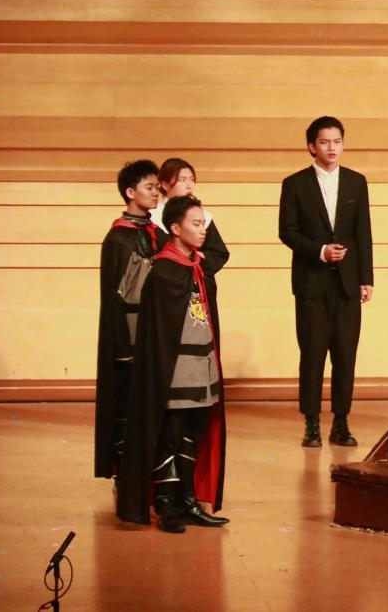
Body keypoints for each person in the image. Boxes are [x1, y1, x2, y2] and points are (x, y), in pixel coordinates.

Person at [117, 196, 229, 533]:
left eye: (203, 224)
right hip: (175, 367)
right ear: (176, 228)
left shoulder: (199, 267)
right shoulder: (163, 271)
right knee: (170, 434)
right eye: (196, 224)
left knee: (193, 433)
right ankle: (167, 505)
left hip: (202, 364)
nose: (203, 230)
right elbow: (155, 332)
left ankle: (189, 500)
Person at [278, 116, 374, 447]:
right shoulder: (295, 184)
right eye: (324, 142)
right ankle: (312, 424)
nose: (332, 148)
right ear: (311, 146)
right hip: (311, 283)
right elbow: (287, 231)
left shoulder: (356, 182)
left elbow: (363, 232)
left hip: (347, 283)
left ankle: (341, 423)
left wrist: (366, 278)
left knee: (346, 354)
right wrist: (320, 251)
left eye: (337, 141)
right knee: (313, 353)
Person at [94, 160, 168, 482]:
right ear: (130, 192)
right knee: (126, 407)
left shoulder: (158, 233)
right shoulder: (118, 239)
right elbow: (117, 299)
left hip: (156, 334)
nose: (156, 192)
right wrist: (123, 345)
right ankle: (124, 478)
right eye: (149, 187)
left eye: (157, 187)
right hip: (129, 338)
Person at [151, 157, 230, 276]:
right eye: (182, 180)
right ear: (165, 185)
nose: (189, 186)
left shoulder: (202, 215)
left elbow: (219, 253)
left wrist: (198, 258)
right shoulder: (152, 216)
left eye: (192, 180)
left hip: (195, 279)